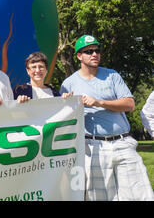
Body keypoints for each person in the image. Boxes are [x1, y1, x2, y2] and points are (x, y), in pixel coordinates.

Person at [60, 34, 154, 201]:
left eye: (97, 50)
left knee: (141, 195)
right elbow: (66, 118)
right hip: (94, 146)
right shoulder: (68, 83)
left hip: (123, 143)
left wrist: (99, 102)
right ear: (79, 56)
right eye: (88, 51)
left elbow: (129, 104)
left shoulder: (112, 75)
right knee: (100, 197)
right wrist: (67, 104)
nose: (95, 54)